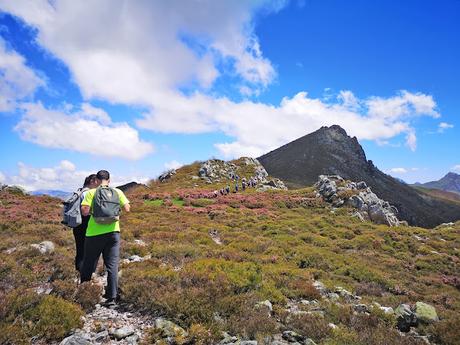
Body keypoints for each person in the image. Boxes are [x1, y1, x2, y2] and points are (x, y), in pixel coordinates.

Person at [80, 170, 130, 306]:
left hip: (94, 233)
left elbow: (84, 212)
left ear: (96, 180)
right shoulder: (118, 192)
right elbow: (127, 208)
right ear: (109, 180)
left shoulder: (91, 193)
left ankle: (84, 293)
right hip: (114, 232)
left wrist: (94, 211)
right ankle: (112, 298)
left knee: (89, 262)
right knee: (112, 265)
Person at [73, 174, 99, 273]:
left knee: (80, 250)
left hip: (77, 224)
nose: (98, 184)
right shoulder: (88, 193)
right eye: (97, 181)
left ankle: (78, 273)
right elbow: (87, 211)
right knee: (90, 251)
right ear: (92, 181)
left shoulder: (80, 191)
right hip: (87, 224)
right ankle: (87, 275)